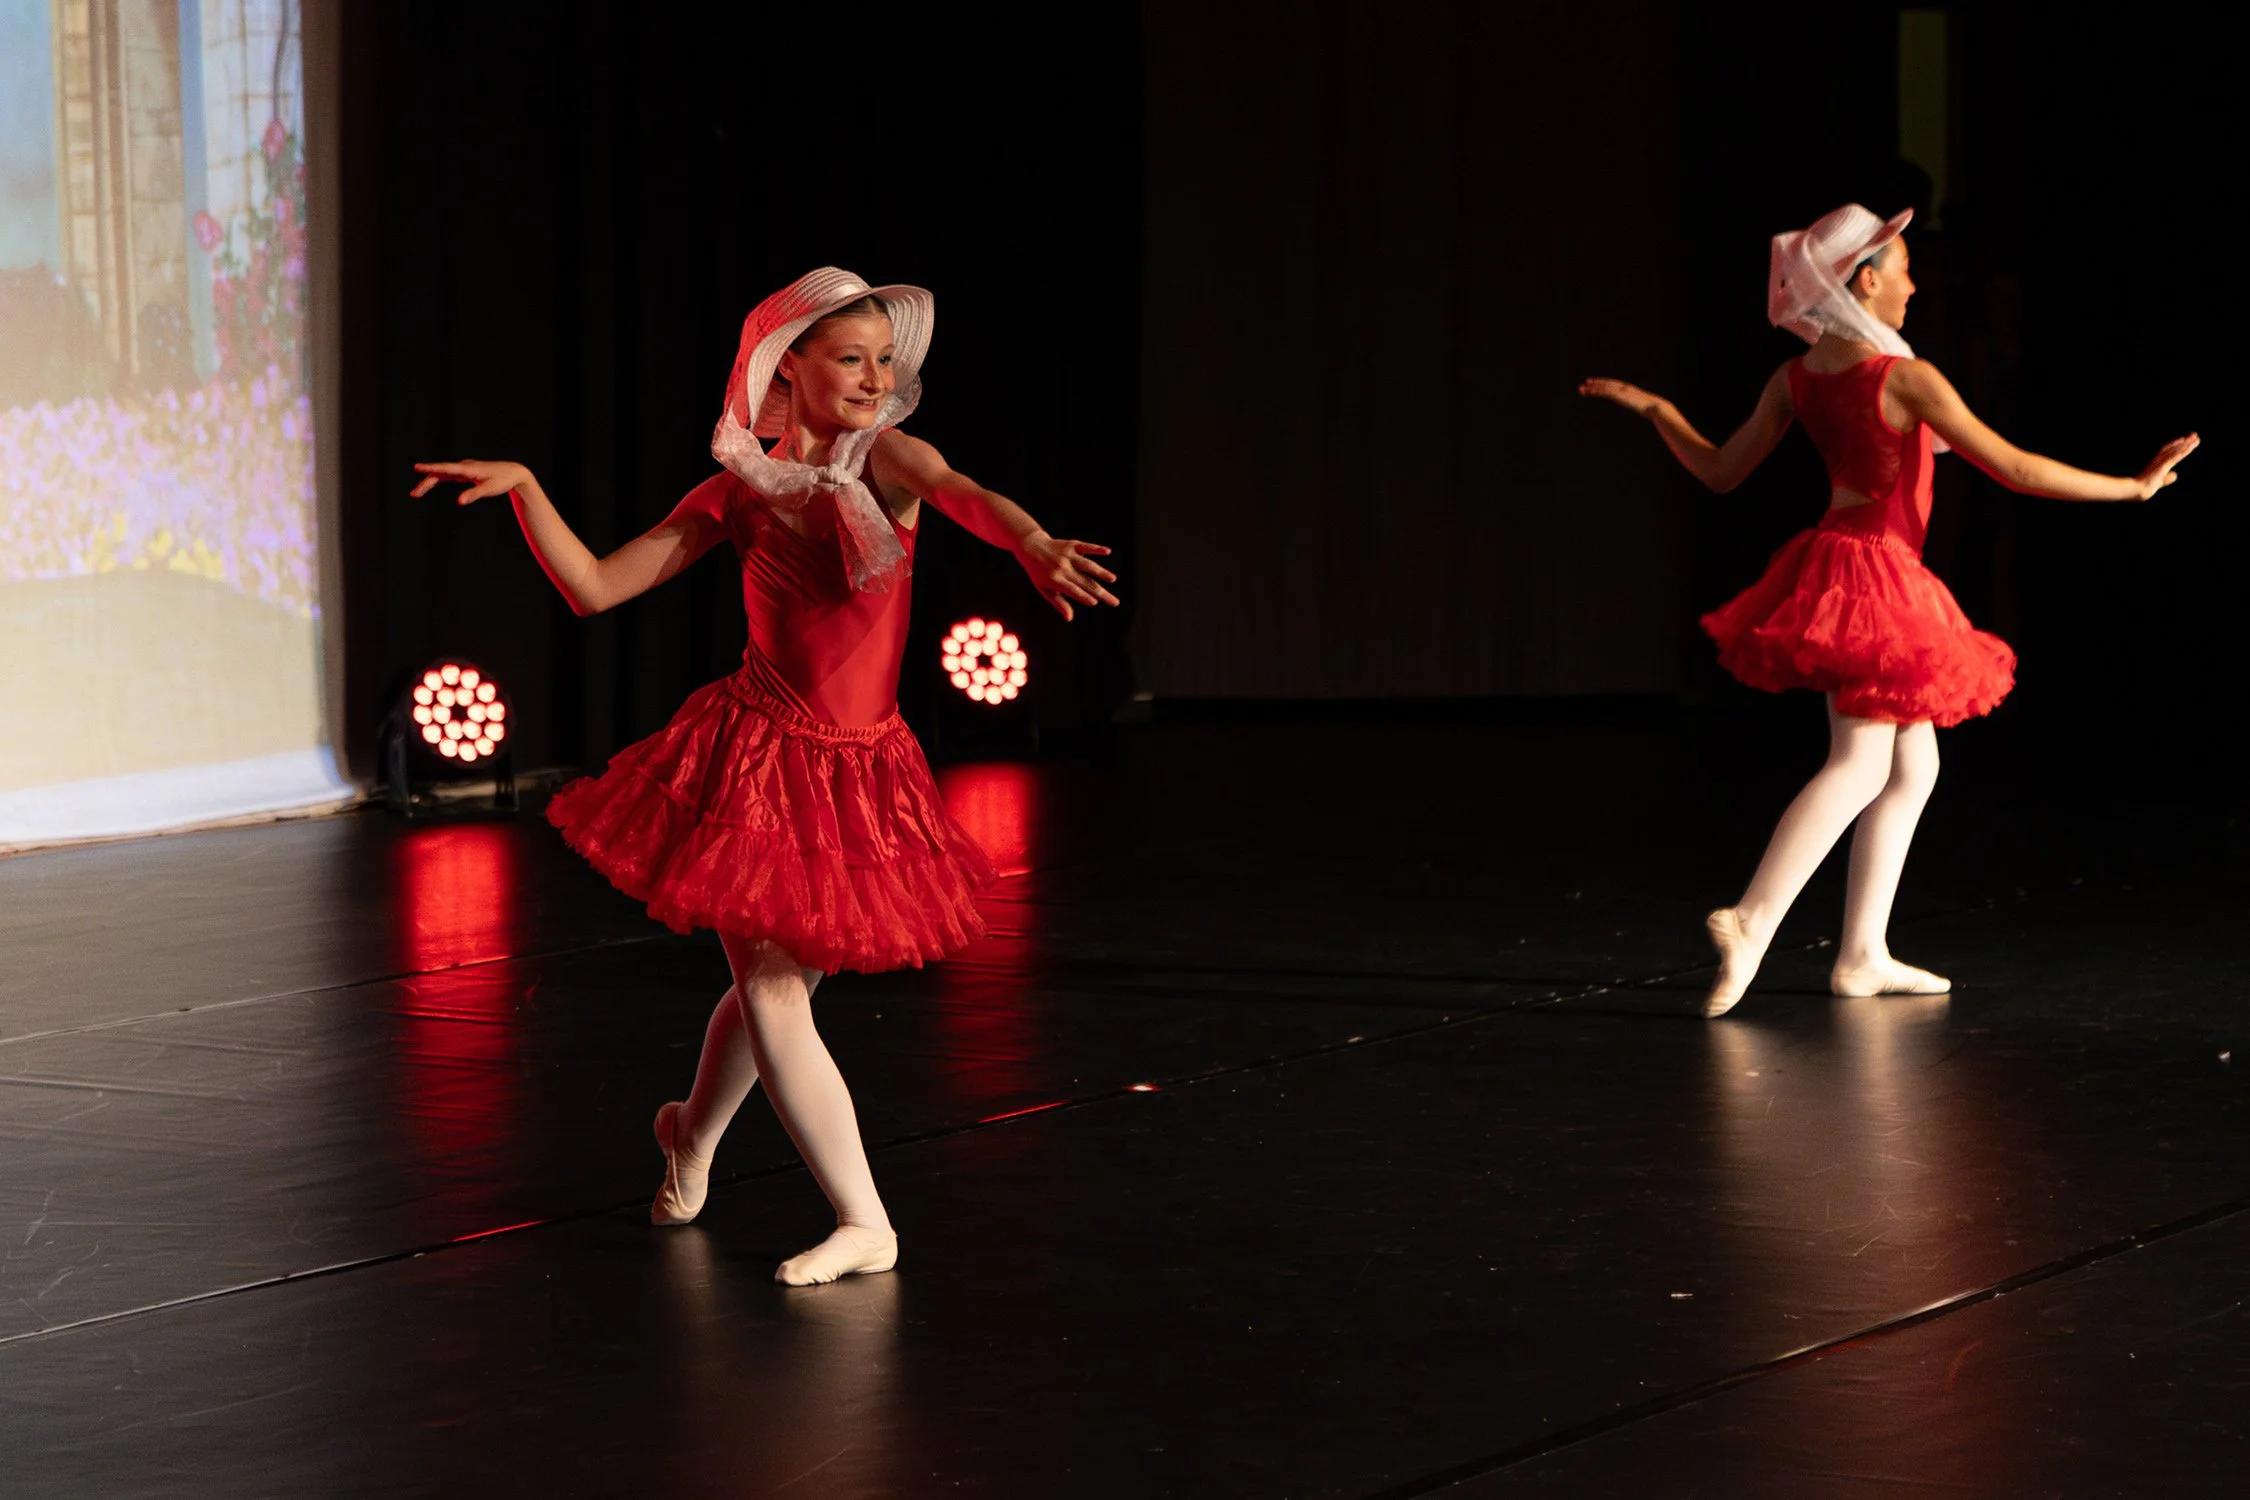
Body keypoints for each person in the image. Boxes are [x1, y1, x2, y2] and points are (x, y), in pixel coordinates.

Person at [411, 268, 1119, 1279]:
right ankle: (865, 1219)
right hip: (755, 763)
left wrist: (1036, 543)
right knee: (776, 991)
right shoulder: (740, 489)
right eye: (850, 358)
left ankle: (691, 1138)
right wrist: (527, 486)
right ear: (787, 370)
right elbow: (597, 587)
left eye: (885, 359)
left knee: (770, 992)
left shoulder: (893, 462)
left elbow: (969, 497)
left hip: (863, 774)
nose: (875, 377)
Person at [1580, 205, 2197, 1018]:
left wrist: (1662, 414)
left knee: (1913, 767)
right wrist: (2133, 486)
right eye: (1902, 268)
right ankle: (1752, 917)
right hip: (1878, 575)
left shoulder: (1798, 378)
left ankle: (1862, 954)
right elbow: (2013, 466)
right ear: (1865, 282)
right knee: (1863, 762)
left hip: (1842, 563)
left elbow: (1723, 471)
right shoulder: (1905, 379)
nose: (1914, 283)